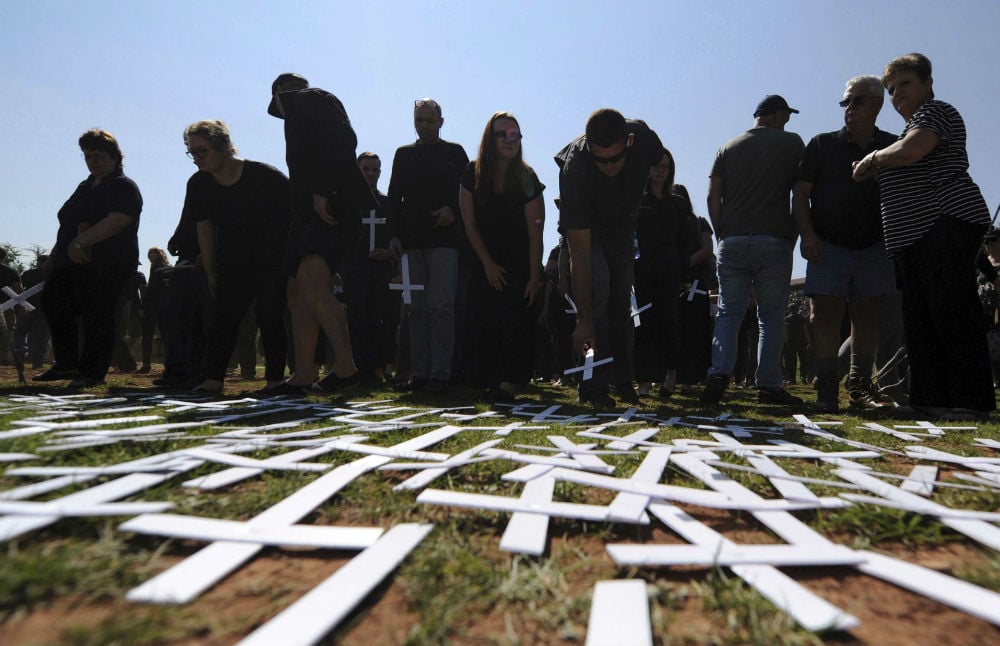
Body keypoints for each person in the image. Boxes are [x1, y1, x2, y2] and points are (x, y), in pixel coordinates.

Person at [853, 53, 995, 420]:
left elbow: (914, 150)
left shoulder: (935, 113)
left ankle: (970, 400)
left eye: (906, 83)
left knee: (951, 311)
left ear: (927, 83)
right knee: (921, 318)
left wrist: (872, 159)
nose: (897, 93)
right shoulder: (908, 127)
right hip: (913, 236)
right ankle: (930, 398)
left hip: (944, 221)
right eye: (892, 88)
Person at [793, 76, 898, 412]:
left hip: (875, 246)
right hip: (827, 245)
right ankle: (826, 392)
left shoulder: (892, 146)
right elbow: (800, 196)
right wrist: (807, 235)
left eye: (857, 101)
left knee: (866, 315)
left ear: (877, 104)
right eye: (845, 102)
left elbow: (904, 196)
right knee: (823, 314)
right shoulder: (822, 144)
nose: (849, 109)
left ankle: (859, 388)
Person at [267, 73, 376, 394]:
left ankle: (346, 369)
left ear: (279, 94)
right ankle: (303, 374)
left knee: (312, 284)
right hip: (306, 214)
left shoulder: (309, 98)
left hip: (327, 207)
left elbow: (344, 139)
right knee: (297, 290)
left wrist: (323, 189)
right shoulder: (300, 113)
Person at [555, 108, 665, 408]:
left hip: (623, 225)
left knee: (621, 300)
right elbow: (579, 252)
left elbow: (661, 162)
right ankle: (592, 382)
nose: (607, 167)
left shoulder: (645, 140)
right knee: (597, 290)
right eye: (599, 160)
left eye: (614, 159)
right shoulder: (574, 169)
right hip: (588, 230)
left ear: (628, 142)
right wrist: (583, 319)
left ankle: (622, 378)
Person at [700, 95, 805, 406]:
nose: (787, 121)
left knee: (728, 312)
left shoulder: (727, 147)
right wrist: (793, 237)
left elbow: (712, 196)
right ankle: (769, 385)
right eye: (786, 115)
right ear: (775, 115)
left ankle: (718, 376)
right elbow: (799, 194)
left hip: (732, 241)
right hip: (773, 238)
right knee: (771, 316)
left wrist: (722, 234)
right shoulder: (791, 143)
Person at [181, 120, 291, 395]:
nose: (196, 158)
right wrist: (209, 270)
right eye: (191, 152)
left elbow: (293, 218)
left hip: (271, 258)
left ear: (223, 147)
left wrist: (294, 263)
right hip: (231, 259)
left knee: (270, 316)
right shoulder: (199, 184)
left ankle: (276, 380)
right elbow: (204, 228)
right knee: (224, 318)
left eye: (202, 151)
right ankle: (213, 380)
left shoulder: (266, 176)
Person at [35, 129, 142, 388]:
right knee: (53, 302)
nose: (93, 161)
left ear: (115, 157)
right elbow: (69, 222)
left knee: (98, 316)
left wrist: (82, 242)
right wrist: (56, 253)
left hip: (106, 264)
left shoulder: (123, 186)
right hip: (68, 261)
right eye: (88, 156)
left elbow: (117, 220)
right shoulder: (85, 186)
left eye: (100, 156)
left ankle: (92, 372)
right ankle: (66, 364)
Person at [458, 112, 545, 401]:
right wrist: (488, 264)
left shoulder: (527, 177)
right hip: (482, 261)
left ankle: (511, 381)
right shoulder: (472, 173)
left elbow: (536, 232)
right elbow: (469, 224)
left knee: (513, 320)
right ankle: (480, 378)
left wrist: (534, 277)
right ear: (489, 139)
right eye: (501, 134)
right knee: (481, 318)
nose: (509, 140)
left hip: (518, 263)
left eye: (514, 134)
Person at [386, 98, 469, 394]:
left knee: (441, 307)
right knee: (415, 309)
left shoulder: (454, 153)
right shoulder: (403, 155)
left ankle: (440, 375)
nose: (424, 126)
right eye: (419, 120)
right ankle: (419, 373)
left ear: (441, 122)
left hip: (445, 243)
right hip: (410, 243)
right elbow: (394, 197)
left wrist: (452, 211)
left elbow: (467, 193)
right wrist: (393, 235)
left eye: (429, 121)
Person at [633, 149, 698, 398]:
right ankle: (645, 379)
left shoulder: (677, 203)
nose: (660, 171)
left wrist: (685, 275)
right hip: (643, 272)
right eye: (656, 166)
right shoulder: (638, 200)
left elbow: (686, 240)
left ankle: (671, 373)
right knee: (643, 325)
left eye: (665, 167)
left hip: (670, 272)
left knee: (669, 324)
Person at [342, 152, 396, 384]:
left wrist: (388, 253)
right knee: (355, 318)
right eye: (366, 169)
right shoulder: (347, 203)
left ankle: (377, 368)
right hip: (354, 269)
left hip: (379, 270)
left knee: (378, 318)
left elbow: (396, 237)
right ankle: (355, 368)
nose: (371, 173)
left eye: (375, 170)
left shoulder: (387, 204)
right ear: (358, 169)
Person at [138, 247, 171, 373]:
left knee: (148, 336)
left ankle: (146, 365)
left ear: (159, 255)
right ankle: (170, 364)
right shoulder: (164, 267)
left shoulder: (156, 268)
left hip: (153, 307)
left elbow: (151, 289)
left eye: (154, 253)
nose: (151, 255)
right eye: (149, 253)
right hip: (161, 306)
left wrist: (142, 305)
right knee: (165, 335)